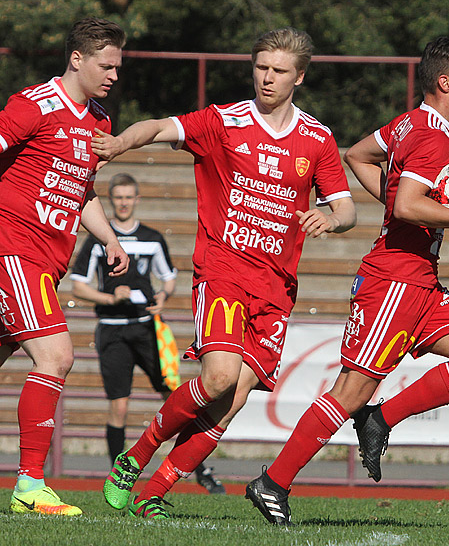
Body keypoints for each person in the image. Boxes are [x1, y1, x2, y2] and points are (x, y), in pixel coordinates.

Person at [91, 27, 356, 519]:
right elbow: (159, 127)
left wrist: (332, 219)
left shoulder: (317, 138)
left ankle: (153, 497)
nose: (266, 78)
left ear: (299, 76)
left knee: (229, 403)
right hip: (223, 272)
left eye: (278, 71)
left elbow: (346, 208)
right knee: (217, 378)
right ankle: (136, 457)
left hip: (276, 290)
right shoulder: (224, 122)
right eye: (260, 67)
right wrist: (119, 143)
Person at [245, 30, 449, 526]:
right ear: (446, 83)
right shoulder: (430, 136)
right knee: (351, 391)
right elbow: (406, 202)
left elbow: (358, 154)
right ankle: (273, 482)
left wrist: (402, 207)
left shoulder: (410, 125)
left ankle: (382, 418)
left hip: (421, 280)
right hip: (395, 282)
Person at [0, 17, 129, 516]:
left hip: (46, 261)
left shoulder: (98, 121)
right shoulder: (34, 105)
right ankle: (30, 485)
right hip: (13, 249)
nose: (114, 74)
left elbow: (83, 192)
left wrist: (111, 240)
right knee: (56, 357)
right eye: (106, 64)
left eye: (118, 66)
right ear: (77, 58)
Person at [70, 172, 225, 494]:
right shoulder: (99, 238)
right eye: (119, 197)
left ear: (137, 199)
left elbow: (168, 278)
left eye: (129, 197)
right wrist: (111, 298)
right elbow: (78, 288)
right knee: (119, 407)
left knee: (176, 397)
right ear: (111, 200)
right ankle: (119, 476)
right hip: (112, 330)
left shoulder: (153, 237)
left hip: (149, 329)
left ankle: (199, 468)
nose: (124, 203)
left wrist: (163, 298)